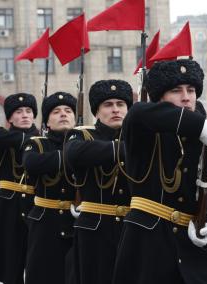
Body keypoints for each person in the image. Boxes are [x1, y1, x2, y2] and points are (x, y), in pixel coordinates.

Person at [113, 59, 207, 284]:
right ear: (160, 98)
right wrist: (200, 126)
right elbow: (138, 113)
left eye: (191, 90)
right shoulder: (145, 129)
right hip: (147, 248)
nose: (186, 97)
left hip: (194, 257)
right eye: (176, 91)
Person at [64, 80, 133, 284]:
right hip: (95, 231)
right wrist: (127, 149)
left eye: (121, 104)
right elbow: (74, 154)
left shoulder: (139, 137)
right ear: (97, 111)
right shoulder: (82, 135)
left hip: (132, 230)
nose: (115, 110)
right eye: (108, 105)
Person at [0, 93, 39, 284]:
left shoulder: (42, 137)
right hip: (9, 206)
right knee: (10, 266)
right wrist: (33, 140)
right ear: (9, 118)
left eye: (29, 111)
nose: (24, 115)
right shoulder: (1, 135)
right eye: (18, 111)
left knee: (38, 263)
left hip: (37, 205)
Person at [22, 92, 77, 284]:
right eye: (56, 111)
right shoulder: (37, 144)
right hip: (45, 224)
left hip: (77, 224)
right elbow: (33, 163)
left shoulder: (88, 143)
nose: (63, 114)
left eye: (68, 110)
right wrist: (74, 155)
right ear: (47, 123)